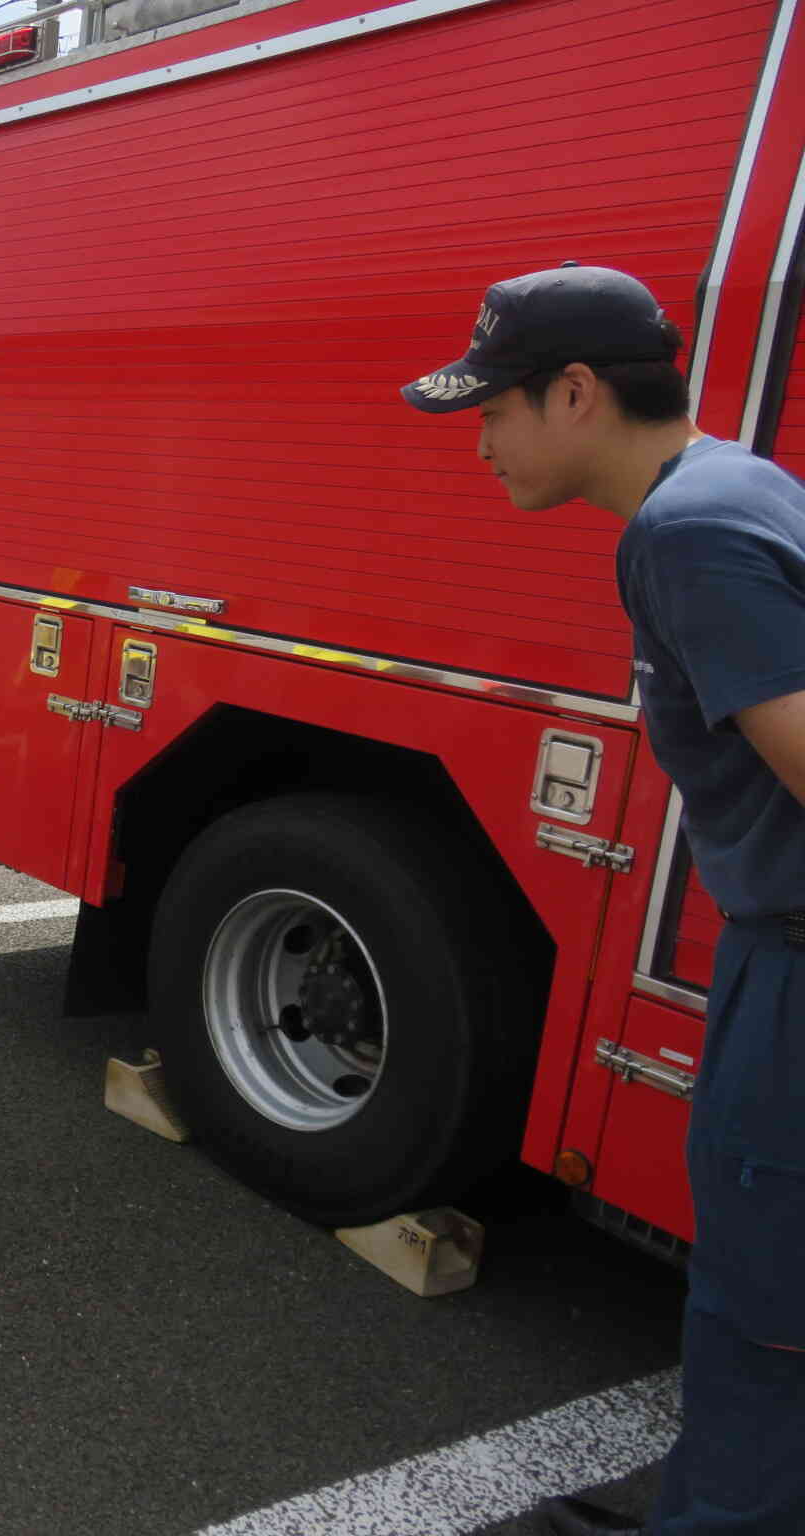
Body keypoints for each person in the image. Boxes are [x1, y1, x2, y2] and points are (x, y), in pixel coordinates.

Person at [404, 264, 805, 1536]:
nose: (478, 447)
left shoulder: (681, 534)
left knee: (763, 1318)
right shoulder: (742, 481)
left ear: (573, 393)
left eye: (490, 412)